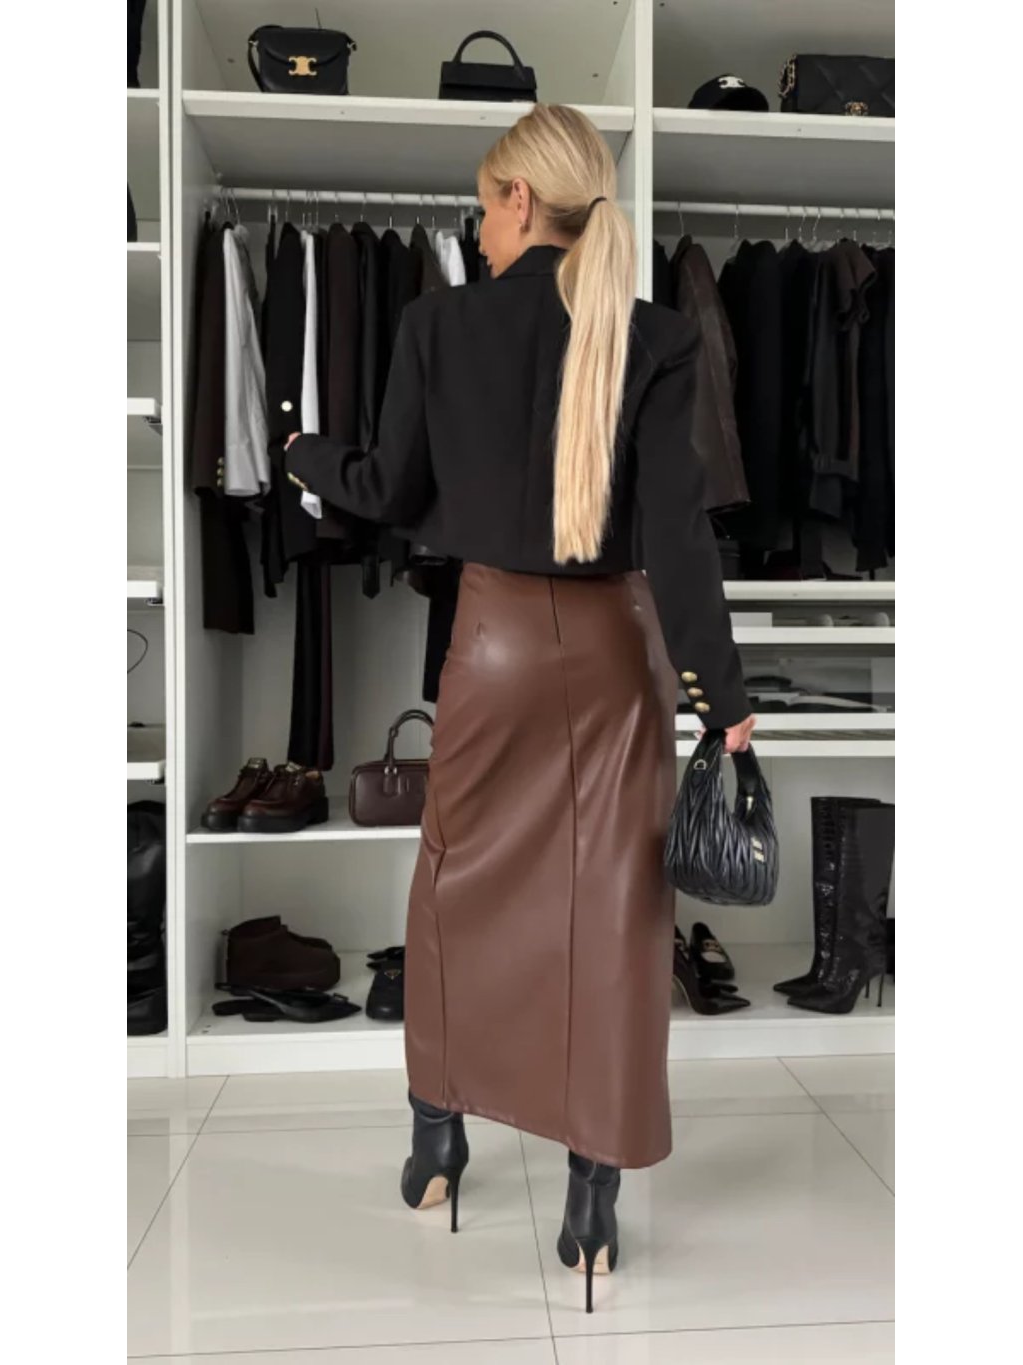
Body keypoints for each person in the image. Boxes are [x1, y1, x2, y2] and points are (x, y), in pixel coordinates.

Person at [285, 103, 755, 1314]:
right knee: (612, 909)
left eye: (484, 201)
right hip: (616, 651)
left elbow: (388, 489)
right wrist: (724, 699)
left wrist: (302, 454)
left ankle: (437, 1134)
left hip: (491, 643)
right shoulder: (652, 336)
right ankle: (591, 1198)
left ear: (516, 200)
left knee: (456, 881)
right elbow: (677, 540)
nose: (478, 225)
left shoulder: (436, 324)